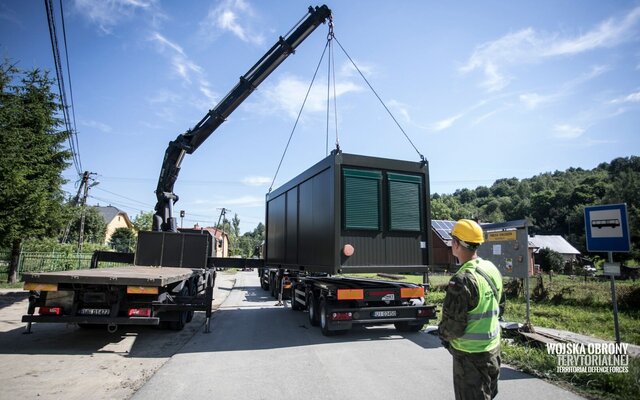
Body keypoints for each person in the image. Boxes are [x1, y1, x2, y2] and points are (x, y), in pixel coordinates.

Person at [438, 219, 504, 400]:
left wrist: (441, 335)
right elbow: (500, 306)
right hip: (493, 352)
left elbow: (453, 327)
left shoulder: (462, 280)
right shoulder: (491, 269)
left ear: (456, 244)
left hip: (470, 359)